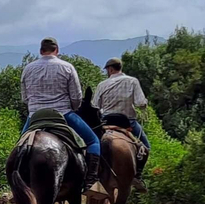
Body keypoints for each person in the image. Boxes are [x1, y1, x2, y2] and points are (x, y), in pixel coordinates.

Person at [20, 37, 100, 187]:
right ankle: (91, 181)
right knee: (93, 141)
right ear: (57, 50)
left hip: (35, 116)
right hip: (63, 114)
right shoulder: (67, 67)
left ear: (41, 51)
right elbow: (76, 97)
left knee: (19, 147)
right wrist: (73, 108)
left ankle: (20, 183)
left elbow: (25, 98)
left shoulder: (28, 69)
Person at [94, 57, 150, 186]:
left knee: (91, 144)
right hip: (128, 122)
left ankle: (92, 175)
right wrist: (144, 104)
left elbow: (95, 106)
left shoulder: (102, 85)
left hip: (106, 121)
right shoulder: (132, 81)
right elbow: (140, 102)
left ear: (111, 69)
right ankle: (138, 175)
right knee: (146, 147)